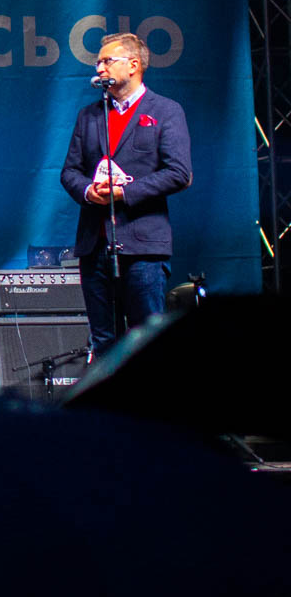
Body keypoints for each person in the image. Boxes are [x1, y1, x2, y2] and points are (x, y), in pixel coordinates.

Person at [58, 32, 193, 357]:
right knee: (104, 343)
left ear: (133, 65)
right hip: (95, 247)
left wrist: (124, 193)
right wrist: (89, 191)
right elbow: (69, 172)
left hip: (143, 247)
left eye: (107, 61)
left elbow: (179, 173)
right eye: (98, 62)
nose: (99, 68)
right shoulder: (90, 115)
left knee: (146, 341)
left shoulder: (165, 111)